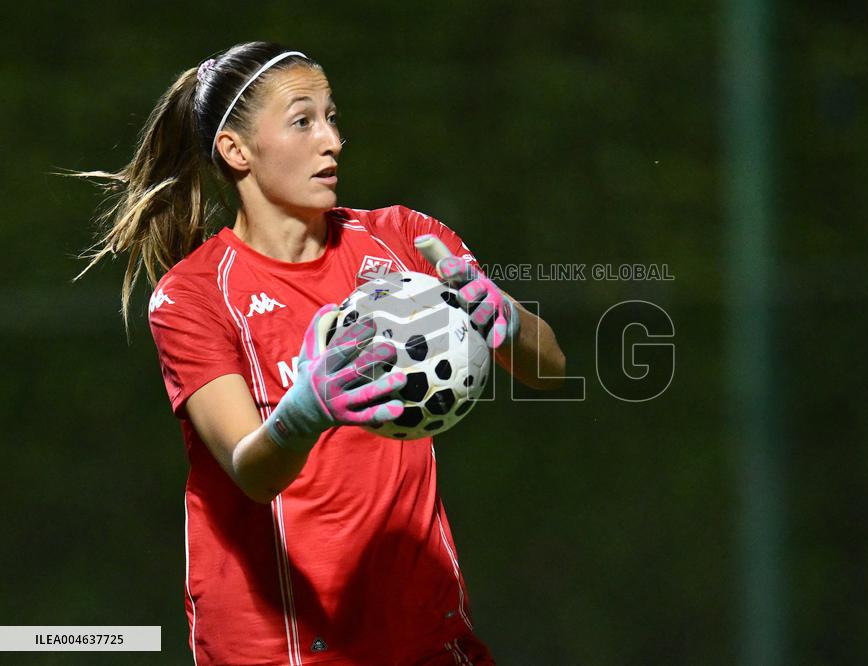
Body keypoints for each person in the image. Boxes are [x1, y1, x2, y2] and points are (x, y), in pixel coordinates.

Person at [73, 41, 565, 665]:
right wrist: (308, 408)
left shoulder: (404, 241)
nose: (331, 140)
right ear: (237, 151)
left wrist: (506, 319)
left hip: (422, 635)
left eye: (332, 118)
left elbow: (550, 368)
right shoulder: (193, 296)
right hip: (280, 648)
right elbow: (252, 471)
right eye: (303, 120)